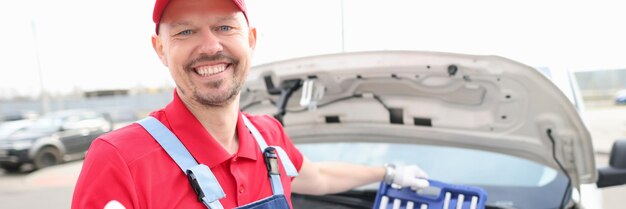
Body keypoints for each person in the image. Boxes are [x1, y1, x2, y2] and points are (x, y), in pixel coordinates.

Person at [71, 0, 429, 208]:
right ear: (160, 49)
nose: (210, 46)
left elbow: (318, 177)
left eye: (225, 27)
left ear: (251, 39)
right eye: (185, 31)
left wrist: (388, 172)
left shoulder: (268, 136)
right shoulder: (120, 158)